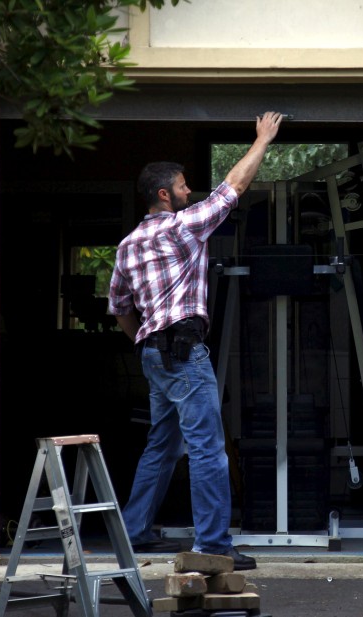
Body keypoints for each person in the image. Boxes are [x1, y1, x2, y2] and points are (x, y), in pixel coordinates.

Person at [108, 111, 283, 571]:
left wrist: (145, 343)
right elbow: (235, 188)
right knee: (207, 449)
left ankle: (135, 531)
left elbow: (121, 308)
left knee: (161, 445)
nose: (190, 193)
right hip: (184, 355)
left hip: (153, 354)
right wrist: (262, 140)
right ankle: (214, 546)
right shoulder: (182, 228)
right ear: (164, 194)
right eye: (184, 187)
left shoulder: (127, 245)